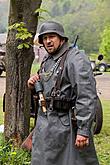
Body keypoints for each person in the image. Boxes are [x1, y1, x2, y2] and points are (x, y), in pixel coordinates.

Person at [27, 21, 99, 165]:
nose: (48, 41)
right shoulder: (47, 59)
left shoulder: (76, 59)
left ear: (61, 38)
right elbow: (48, 86)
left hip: (67, 126)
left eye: (52, 36)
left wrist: (83, 130)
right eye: (44, 38)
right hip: (45, 125)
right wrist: (34, 84)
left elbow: (86, 95)